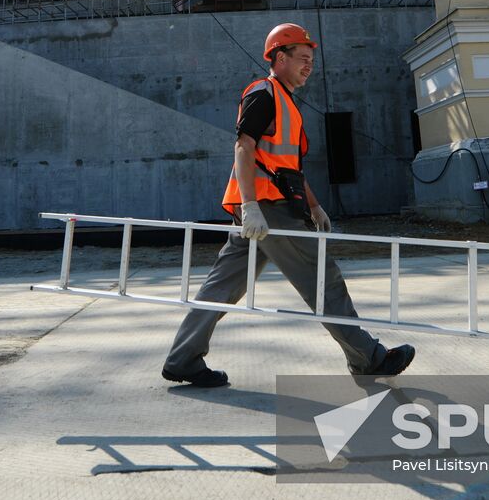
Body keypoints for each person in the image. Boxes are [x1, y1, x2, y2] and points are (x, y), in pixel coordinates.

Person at [161, 23, 416, 388]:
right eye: (302, 58)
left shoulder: (286, 102)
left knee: (222, 286)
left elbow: (287, 168)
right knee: (322, 279)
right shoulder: (264, 94)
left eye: (311, 59)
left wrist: (314, 206)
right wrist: (250, 206)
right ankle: (368, 359)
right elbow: (243, 147)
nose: (309, 65)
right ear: (279, 58)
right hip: (267, 207)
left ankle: (182, 359)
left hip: (267, 207)